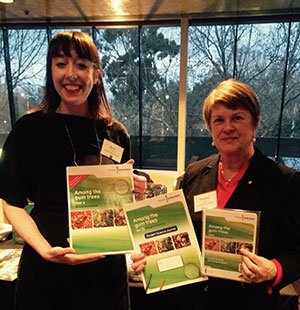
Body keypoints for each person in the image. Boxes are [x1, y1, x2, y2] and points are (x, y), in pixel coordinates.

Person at [0, 31, 146, 310]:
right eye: (61, 63)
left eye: (81, 64)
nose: (71, 74)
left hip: (104, 276)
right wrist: (44, 249)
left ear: (97, 73)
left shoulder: (116, 134)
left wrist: (133, 191)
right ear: (50, 70)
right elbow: (12, 201)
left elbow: (122, 207)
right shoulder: (29, 129)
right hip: (46, 270)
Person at [131, 79, 300, 310]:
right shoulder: (194, 174)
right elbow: (178, 236)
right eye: (219, 120)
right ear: (210, 128)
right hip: (192, 301)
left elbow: (297, 251)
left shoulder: (283, 181)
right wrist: (151, 255)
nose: (228, 127)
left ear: (255, 123)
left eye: (237, 118)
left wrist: (274, 269)